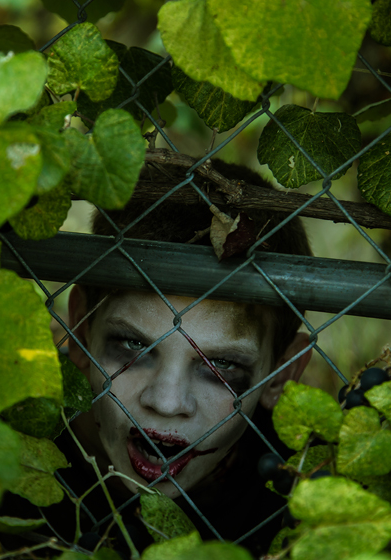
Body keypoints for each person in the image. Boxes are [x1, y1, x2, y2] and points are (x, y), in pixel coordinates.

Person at [59, 158, 314, 555]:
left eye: (222, 365)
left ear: (282, 373)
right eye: (134, 345)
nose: (166, 402)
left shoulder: (303, 495)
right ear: (80, 329)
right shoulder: (13, 450)